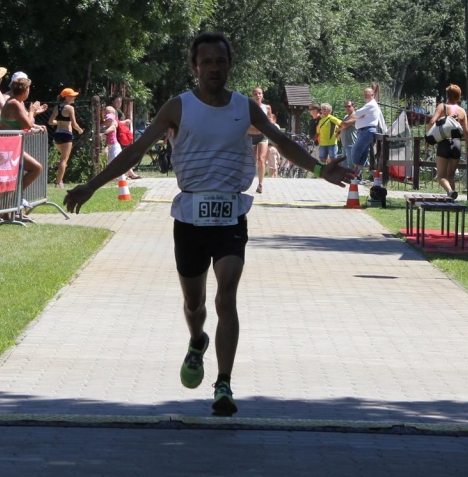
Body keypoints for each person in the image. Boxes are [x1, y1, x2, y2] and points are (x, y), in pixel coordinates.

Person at [64, 32, 351, 417]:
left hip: (231, 214)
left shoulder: (245, 107)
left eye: (221, 61)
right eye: (207, 62)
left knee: (226, 296)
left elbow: (281, 142)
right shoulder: (177, 107)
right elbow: (136, 150)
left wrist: (318, 169)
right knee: (194, 303)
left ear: (229, 65)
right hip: (190, 218)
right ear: (195, 67)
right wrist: (92, 185)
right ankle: (197, 339)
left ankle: (224, 384)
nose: (215, 68)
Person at [0, 73, 47, 192]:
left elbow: (23, 123)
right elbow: (28, 124)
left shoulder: (16, 102)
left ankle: (15, 198)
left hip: (12, 146)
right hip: (7, 147)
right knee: (36, 168)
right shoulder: (14, 103)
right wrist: (32, 111)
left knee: (33, 169)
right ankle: (16, 198)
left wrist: (34, 115)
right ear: (25, 90)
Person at [337, 84, 386, 174]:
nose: (365, 95)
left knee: (355, 150)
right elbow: (357, 115)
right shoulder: (369, 105)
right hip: (364, 131)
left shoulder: (370, 105)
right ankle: (357, 173)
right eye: (364, 93)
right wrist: (360, 116)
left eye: (367, 93)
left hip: (366, 131)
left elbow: (356, 114)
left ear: (372, 95)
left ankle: (354, 172)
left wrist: (359, 116)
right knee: (363, 153)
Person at [431, 84, 468, 199]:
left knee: (441, 176)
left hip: (444, 143)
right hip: (457, 143)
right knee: (450, 176)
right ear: (459, 96)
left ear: (447, 95)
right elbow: (466, 132)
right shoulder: (462, 111)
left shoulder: (442, 107)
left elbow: (432, 121)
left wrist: (428, 137)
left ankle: (450, 192)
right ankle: (452, 200)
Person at [48, 87, 83, 189]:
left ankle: (60, 180)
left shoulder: (57, 107)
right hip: (67, 134)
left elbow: (50, 122)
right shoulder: (70, 108)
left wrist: (60, 122)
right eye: (72, 96)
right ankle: (58, 183)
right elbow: (74, 124)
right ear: (67, 97)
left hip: (57, 134)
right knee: (64, 159)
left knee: (62, 159)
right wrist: (80, 130)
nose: (74, 98)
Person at [248, 87, 272, 194]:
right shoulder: (248, 107)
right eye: (255, 94)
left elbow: (270, 121)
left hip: (262, 136)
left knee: (261, 160)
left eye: (259, 93)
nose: (258, 95)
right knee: (251, 161)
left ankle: (260, 184)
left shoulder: (267, 107)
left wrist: (269, 124)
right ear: (252, 96)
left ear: (262, 95)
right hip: (250, 136)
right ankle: (247, 181)